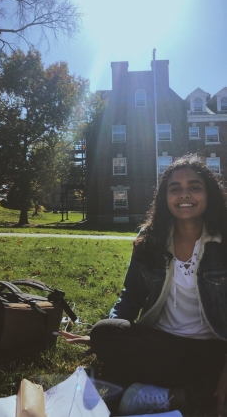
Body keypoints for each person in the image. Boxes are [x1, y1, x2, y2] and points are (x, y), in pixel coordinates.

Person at [62, 154, 227, 417]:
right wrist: (109, 336)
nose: (185, 195)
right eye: (175, 189)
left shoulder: (224, 241)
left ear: (209, 195)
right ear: (165, 197)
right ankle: (199, 394)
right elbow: (131, 295)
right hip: (160, 344)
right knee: (104, 331)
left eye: (195, 187)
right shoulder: (150, 240)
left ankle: (173, 396)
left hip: (213, 349)